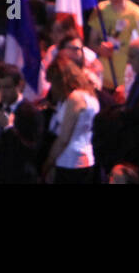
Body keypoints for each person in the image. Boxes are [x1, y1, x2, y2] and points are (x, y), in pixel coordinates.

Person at [87, 0, 139, 90]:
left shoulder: (137, 15)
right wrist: (100, 48)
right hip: (101, 79)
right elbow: (91, 43)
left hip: (125, 80)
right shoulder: (100, 10)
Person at [43, 55, 100, 183]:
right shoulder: (90, 95)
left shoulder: (75, 99)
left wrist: (49, 162)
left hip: (69, 160)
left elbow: (64, 138)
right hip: (87, 157)